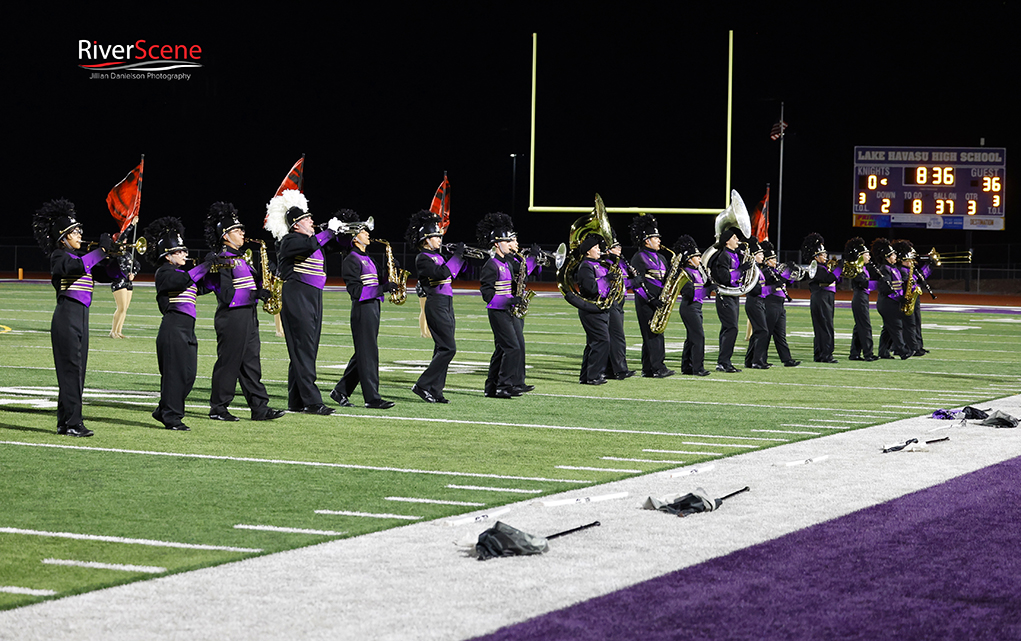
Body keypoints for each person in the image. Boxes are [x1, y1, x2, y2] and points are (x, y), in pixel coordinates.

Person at [32, 199, 114, 437]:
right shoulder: (60, 256)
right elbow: (75, 268)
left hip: (81, 317)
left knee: (77, 372)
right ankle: (73, 423)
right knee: (71, 372)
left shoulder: (81, 259)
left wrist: (119, 262)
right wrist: (101, 251)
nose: (80, 235)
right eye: (74, 232)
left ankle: (64, 421)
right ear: (63, 237)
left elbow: (105, 273)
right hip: (67, 316)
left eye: (79, 231)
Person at [204, 202, 286, 422]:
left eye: (242, 230)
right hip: (231, 318)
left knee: (251, 363)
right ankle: (218, 408)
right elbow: (226, 295)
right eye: (237, 231)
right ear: (225, 236)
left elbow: (253, 285)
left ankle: (259, 408)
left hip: (248, 316)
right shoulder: (221, 260)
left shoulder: (242, 259)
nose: (242, 234)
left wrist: (267, 282)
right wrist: (255, 295)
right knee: (228, 363)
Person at [265, 189, 343, 415]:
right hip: (297, 296)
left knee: (304, 350)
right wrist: (328, 231)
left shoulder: (312, 240)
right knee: (304, 349)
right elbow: (310, 246)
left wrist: (342, 231)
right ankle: (312, 401)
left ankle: (296, 399)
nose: (312, 221)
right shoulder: (289, 241)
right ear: (296, 224)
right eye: (307, 219)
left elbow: (334, 245)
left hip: (312, 297)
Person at [144, 217, 214, 431]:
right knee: (175, 376)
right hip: (173, 328)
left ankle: (163, 408)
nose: (185, 254)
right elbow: (182, 281)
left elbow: (203, 286)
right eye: (180, 251)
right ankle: (172, 417)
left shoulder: (184, 273)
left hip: (187, 329)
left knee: (188, 375)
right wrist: (204, 266)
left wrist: (220, 270)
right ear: (168, 254)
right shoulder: (164, 273)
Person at [331, 210, 396, 409]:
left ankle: (340, 391)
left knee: (364, 352)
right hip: (362, 309)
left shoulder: (368, 258)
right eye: (364, 231)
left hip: (374, 308)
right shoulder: (351, 259)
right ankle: (372, 398)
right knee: (368, 353)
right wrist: (382, 288)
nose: (368, 234)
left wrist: (390, 277)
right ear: (354, 237)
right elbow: (356, 292)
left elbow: (376, 283)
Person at [406, 210, 465, 403]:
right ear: (426, 239)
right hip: (436, 303)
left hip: (447, 303)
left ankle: (436, 390)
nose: (439, 240)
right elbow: (441, 274)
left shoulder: (438, 256)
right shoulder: (423, 258)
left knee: (441, 348)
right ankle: (422, 385)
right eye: (436, 237)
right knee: (449, 348)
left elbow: (453, 273)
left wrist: (460, 257)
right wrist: (456, 256)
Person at [477, 212, 535, 398]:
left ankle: (491, 387)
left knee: (503, 349)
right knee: (512, 348)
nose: (510, 244)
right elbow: (487, 295)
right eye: (506, 241)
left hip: (507, 311)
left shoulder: (507, 263)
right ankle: (504, 386)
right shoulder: (491, 265)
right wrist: (509, 300)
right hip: (497, 311)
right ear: (496, 244)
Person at [629, 214, 674, 378]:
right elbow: (637, 283)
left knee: (654, 333)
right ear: (647, 240)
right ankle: (658, 367)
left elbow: (667, 278)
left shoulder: (661, 257)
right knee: (653, 333)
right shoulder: (639, 257)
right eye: (656, 238)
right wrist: (650, 299)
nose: (659, 240)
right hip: (646, 301)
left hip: (659, 300)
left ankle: (648, 368)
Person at [707, 225, 748, 373]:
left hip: (734, 296)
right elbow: (725, 278)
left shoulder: (736, 255)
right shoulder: (723, 256)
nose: (737, 239)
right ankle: (724, 362)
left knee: (729, 329)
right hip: (725, 296)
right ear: (726, 241)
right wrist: (740, 271)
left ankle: (724, 362)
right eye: (734, 237)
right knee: (731, 328)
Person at [574, 234, 611, 385]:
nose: (599, 250)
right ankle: (594, 375)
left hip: (600, 308)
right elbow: (591, 288)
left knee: (593, 343)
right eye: (596, 248)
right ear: (588, 251)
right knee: (602, 341)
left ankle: (586, 376)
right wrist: (607, 279)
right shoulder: (585, 266)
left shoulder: (598, 264)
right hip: (590, 308)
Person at [673, 235, 711, 376]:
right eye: (697, 256)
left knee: (691, 338)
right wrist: (708, 289)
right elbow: (689, 293)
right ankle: (697, 368)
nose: (700, 259)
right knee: (698, 337)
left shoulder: (696, 271)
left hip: (696, 307)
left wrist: (708, 285)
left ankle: (687, 367)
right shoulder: (686, 272)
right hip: (689, 307)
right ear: (689, 258)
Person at [759, 241, 801, 368]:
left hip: (780, 304)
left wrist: (792, 272)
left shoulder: (775, 270)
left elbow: (787, 281)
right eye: (772, 258)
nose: (775, 260)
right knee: (767, 333)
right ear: (766, 261)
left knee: (780, 335)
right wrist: (786, 271)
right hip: (770, 302)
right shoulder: (766, 271)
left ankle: (787, 359)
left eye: (775, 258)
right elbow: (778, 280)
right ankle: (761, 359)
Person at [802, 232, 841, 363]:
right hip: (822, 297)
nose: (825, 256)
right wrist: (840, 268)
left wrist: (836, 271)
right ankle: (826, 355)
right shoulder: (817, 267)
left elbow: (835, 280)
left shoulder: (822, 267)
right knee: (825, 326)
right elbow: (828, 279)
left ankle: (819, 354)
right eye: (822, 254)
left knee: (821, 327)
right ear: (816, 256)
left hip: (822, 297)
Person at [603, 236, 637, 380]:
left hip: (619, 300)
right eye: (616, 247)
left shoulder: (620, 263)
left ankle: (611, 369)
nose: (620, 249)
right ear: (608, 250)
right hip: (611, 301)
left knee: (614, 336)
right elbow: (618, 282)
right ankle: (620, 369)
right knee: (617, 337)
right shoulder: (605, 263)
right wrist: (632, 281)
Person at [872, 238, 911, 360]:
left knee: (888, 329)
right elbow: (886, 289)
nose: (895, 256)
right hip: (888, 303)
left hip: (893, 301)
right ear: (887, 257)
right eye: (893, 255)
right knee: (896, 326)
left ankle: (883, 351)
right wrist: (899, 298)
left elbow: (898, 285)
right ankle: (903, 350)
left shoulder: (894, 268)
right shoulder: (884, 269)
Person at [844, 237, 878, 362]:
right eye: (866, 254)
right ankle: (868, 354)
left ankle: (854, 353)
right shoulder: (856, 268)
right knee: (865, 326)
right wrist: (881, 284)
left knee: (859, 327)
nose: (869, 256)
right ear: (860, 255)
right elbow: (863, 283)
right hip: (859, 297)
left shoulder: (863, 268)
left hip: (863, 297)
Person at [742, 238, 770, 369]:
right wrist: (771, 288)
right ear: (753, 256)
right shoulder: (752, 269)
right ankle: (757, 361)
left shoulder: (758, 268)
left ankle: (750, 360)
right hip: (754, 302)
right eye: (760, 254)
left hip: (758, 302)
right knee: (763, 331)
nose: (763, 256)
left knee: (759, 331)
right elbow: (753, 289)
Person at [109, 226, 141, 339]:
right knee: (121, 307)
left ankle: (119, 331)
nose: (125, 241)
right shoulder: (114, 252)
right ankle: (113, 331)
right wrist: (131, 225)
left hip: (128, 283)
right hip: (119, 282)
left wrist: (133, 274)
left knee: (125, 309)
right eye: (123, 240)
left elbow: (137, 265)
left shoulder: (128, 254)